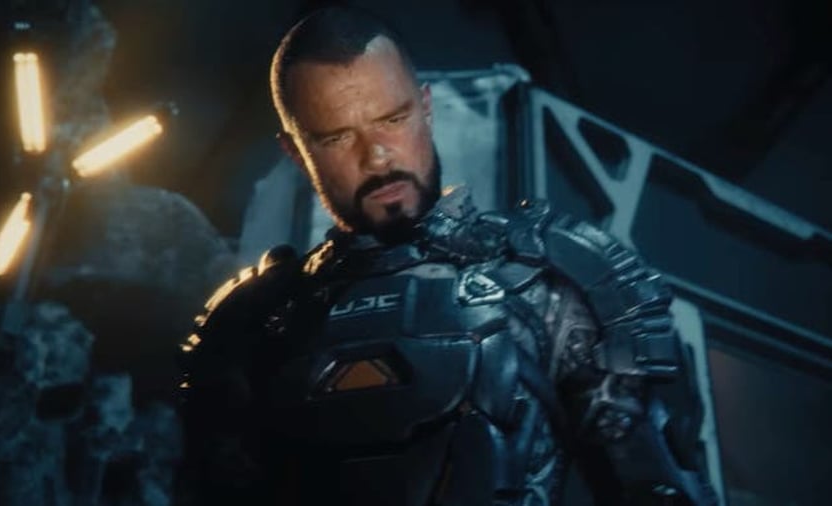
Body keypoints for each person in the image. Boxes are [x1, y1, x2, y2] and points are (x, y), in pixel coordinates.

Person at [177, 6, 718, 506]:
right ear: (297, 152)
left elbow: (657, 487)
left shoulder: (553, 280)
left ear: (427, 108)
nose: (378, 157)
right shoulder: (250, 322)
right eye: (338, 137)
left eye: (393, 119)